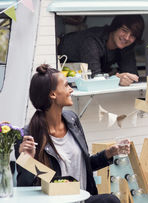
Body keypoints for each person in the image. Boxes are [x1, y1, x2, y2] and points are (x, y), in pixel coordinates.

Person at [15, 64, 129, 203]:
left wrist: (109, 153)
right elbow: (24, 188)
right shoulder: (29, 136)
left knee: (110, 200)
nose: (71, 90)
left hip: (83, 199)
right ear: (52, 94)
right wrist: (26, 161)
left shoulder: (72, 120)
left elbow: (84, 166)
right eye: (67, 85)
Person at [58, 15, 145, 86]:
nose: (126, 37)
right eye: (124, 30)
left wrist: (127, 78)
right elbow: (95, 80)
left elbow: (133, 76)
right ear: (115, 27)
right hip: (61, 73)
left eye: (132, 35)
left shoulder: (127, 45)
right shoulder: (92, 41)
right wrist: (116, 78)